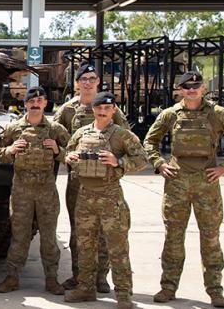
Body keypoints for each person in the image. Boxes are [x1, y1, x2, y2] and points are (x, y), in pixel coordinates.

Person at [144, 71, 224, 308]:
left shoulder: (219, 114)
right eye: (187, 87)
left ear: (203, 88)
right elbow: (149, 141)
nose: (192, 90)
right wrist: (159, 163)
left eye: (196, 86)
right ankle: (168, 287)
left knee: (210, 238)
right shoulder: (170, 114)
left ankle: (215, 290)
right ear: (179, 90)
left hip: (207, 184)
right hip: (177, 184)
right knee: (173, 237)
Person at [62, 92, 147, 309]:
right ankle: (85, 288)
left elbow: (141, 159)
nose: (102, 112)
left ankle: (124, 294)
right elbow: (68, 152)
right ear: (93, 109)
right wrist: (68, 157)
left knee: (117, 248)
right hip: (85, 197)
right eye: (99, 108)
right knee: (85, 246)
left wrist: (118, 161)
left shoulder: (122, 135)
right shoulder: (82, 133)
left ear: (113, 110)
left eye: (107, 108)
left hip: (110, 197)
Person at [53, 63, 129, 293]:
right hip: (78, 180)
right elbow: (54, 138)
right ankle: (80, 276)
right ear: (77, 83)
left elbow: (127, 139)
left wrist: (118, 163)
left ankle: (101, 277)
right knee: (79, 229)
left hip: (105, 180)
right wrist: (65, 156)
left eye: (92, 78)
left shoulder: (111, 109)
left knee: (105, 230)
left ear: (98, 81)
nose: (87, 83)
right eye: (83, 79)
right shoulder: (68, 109)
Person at [0, 86, 70, 295]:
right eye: (31, 101)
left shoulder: (55, 129)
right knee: (19, 236)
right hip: (22, 189)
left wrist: (58, 150)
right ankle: (12, 277)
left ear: (45, 103)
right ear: (25, 104)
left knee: (49, 237)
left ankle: (52, 279)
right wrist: (10, 150)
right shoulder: (14, 128)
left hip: (46, 190)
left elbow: (73, 154)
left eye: (39, 100)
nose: (35, 104)